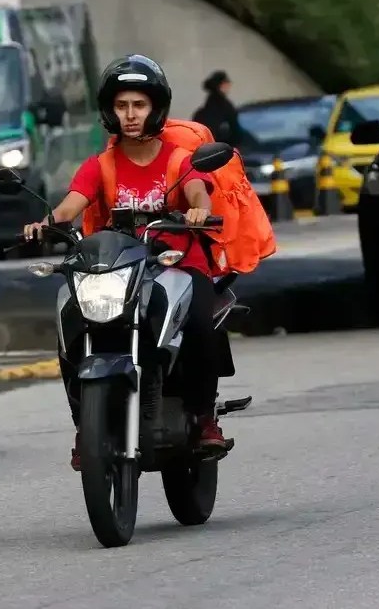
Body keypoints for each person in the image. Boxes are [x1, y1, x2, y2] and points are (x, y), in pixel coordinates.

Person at [21, 54, 227, 471]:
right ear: (110, 112)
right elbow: (69, 207)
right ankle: (86, 426)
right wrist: (43, 224)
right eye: (121, 106)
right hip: (119, 269)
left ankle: (204, 419)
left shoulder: (177, 160)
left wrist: (199, 211)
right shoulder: (101, 166)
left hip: (177, 265)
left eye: (139, 105)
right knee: (69, 319)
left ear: (156, 109)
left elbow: (198, 193)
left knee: (203, 321)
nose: (130, 115)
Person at [191, 70, 243, 148]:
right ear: (221, 85)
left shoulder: (202, 112)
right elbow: (235, 133)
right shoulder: (225, 107)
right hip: (223, 151)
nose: (229, 85)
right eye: (226, 83)